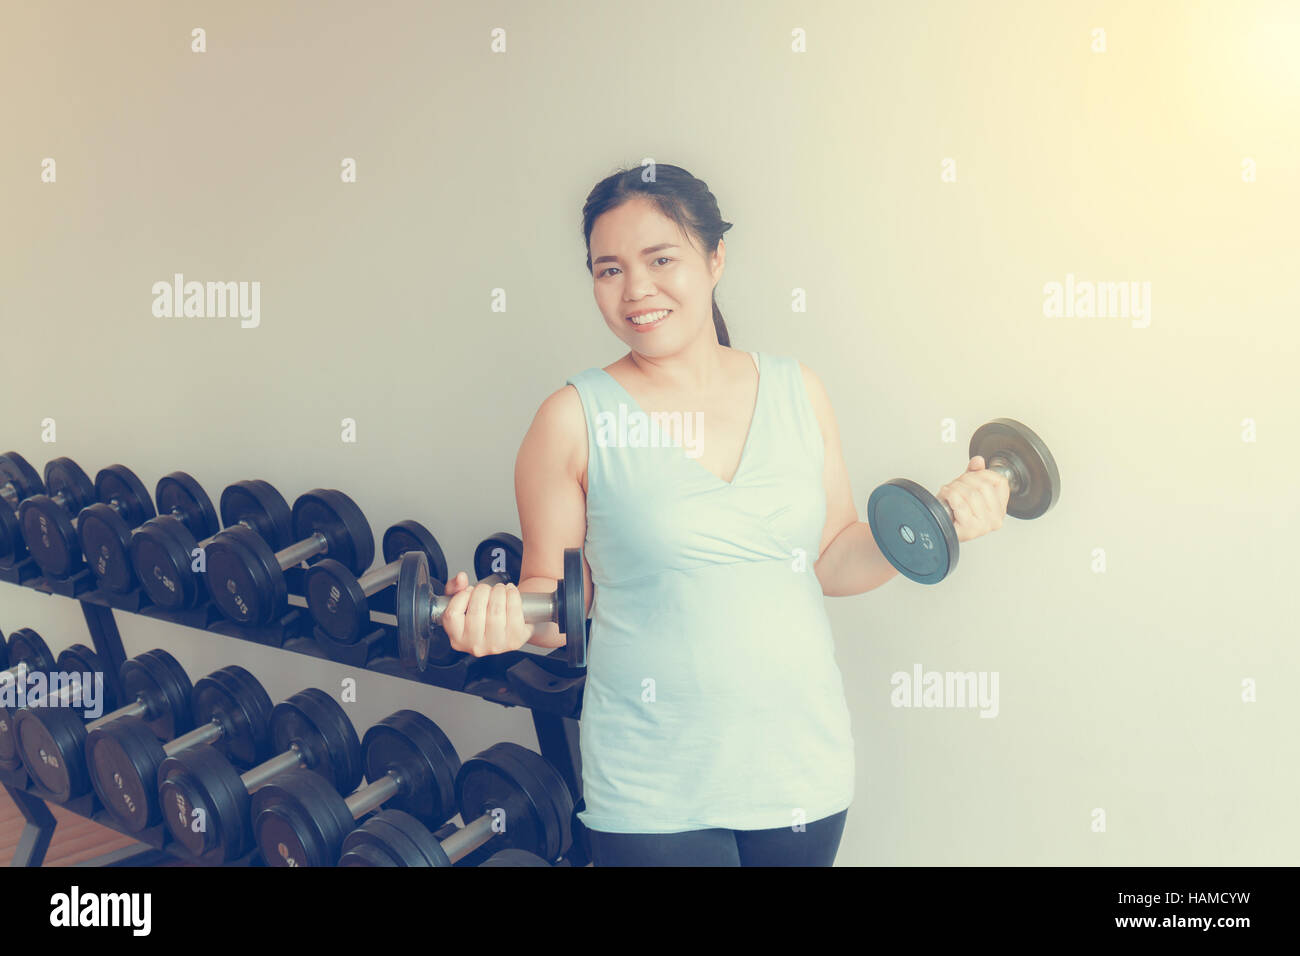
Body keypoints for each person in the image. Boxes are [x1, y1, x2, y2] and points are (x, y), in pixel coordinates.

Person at [437, 163, 1010, 866]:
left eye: (661, 259)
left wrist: (942, 521)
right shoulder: (572, 419)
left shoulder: (799, 391)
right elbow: (559, 605)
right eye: (608, 269)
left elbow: (832, 555)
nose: (636, 289)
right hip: (654, 784)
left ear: (716, 259)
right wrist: (493, 619)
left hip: (803, 771)